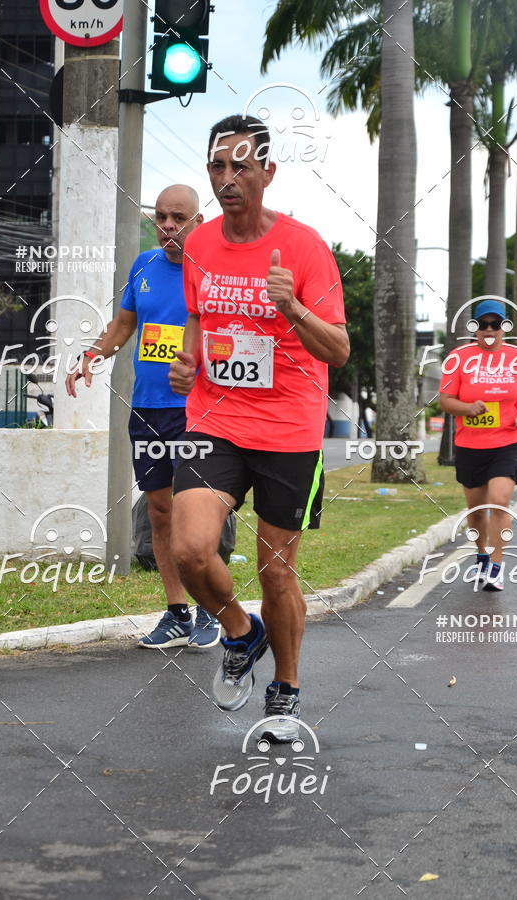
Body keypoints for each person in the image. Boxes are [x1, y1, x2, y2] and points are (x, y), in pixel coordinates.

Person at [168, 114, 349, 742]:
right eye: (218, 166)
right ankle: (242, 634)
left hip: (289, 430)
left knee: (276, 570)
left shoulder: (304, 247)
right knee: (191, 548)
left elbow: (339, 352)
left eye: (241, 166)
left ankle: (286, 688)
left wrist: (291, 307)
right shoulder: (200, 245)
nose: (227, 178)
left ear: (268, 172)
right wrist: (187, 364)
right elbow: (197, 322)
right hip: (215, 419)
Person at [65, 185, 221, 649]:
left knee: (200, 517)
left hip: (198, 411)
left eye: (178, 218)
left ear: (197, 221)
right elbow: (125, 325)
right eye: (162, 217)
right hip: (149, 409)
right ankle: (177, 613)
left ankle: (213, 611)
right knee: (159, 512)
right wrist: (93, 353)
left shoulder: (214, 271)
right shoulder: (144, 266)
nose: (168, 226)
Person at [439, 299, 517, 592]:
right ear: (475, 328)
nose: (489, 330)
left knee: (499, 500)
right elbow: (445, 400)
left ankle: (496, 567)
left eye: (496, 324)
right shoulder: (459, 357)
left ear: (505, 327)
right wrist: (468, 408)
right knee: (477, 510)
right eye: (483, 324)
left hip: (507, 440)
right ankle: (481, 554)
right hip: (470, 443)